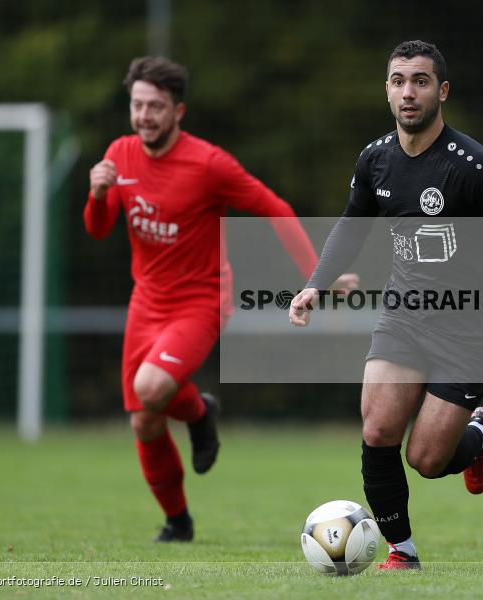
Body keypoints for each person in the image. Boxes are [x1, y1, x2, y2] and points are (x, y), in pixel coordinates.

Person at [289, 40, 483, 569]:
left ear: (441, 91)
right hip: (403, 318)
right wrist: (317, 281)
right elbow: (350, 226)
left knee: (426, 460)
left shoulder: (475, 166)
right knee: (378, 428)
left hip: (467, 331)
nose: (409, 92)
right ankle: (401, 553)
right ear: (387, 90)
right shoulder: (376, 159)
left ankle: (478, 433)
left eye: (421, 81)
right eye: (399, 80)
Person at [84, 56, 354, 542]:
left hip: (201, 299)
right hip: (146, 301)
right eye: (137, 105)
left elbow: (274, 207)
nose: (144, 116)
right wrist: (98, 195)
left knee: (150, 389)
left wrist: (320, 275)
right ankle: (178, 521)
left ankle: (200, 413)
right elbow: (98, 228)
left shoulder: (208, 164)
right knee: (145, 422)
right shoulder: (119, 156)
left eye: (156, 107)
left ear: (178, 111)